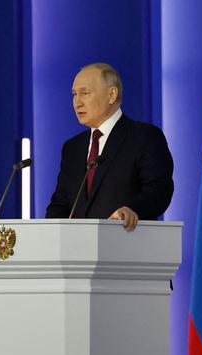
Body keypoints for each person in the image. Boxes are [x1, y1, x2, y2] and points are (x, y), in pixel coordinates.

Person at [45, 63, 173, 230]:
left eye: (85, 93)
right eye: (74, 94)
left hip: (126, 244)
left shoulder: (144, 137)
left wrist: (131, 210)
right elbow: (60, 204)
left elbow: (158, 191)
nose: (77, 102)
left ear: (112, 95)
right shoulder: (72, 148)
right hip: (78, 250)